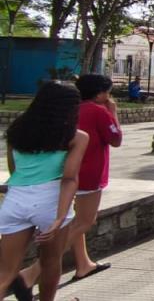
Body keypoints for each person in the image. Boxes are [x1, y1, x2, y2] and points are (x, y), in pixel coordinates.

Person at [21, 75, 122, 291]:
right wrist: (113, 113)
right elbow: (116, 140)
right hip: (89, 174)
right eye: (108, 92)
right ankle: (32, 273)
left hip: (63, 171)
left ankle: (83, 264)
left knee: (72, 221)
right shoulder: (98, 111)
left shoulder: (69, 109)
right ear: (100, 94)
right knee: (85, 222)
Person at [0, 82, 88, 301]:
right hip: (51, 202)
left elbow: (14, 169)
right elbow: (69, 179)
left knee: (4, 272)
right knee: (50, 262)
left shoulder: (16, 130)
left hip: (16, 200)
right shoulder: (76, 137)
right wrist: (59, 217)